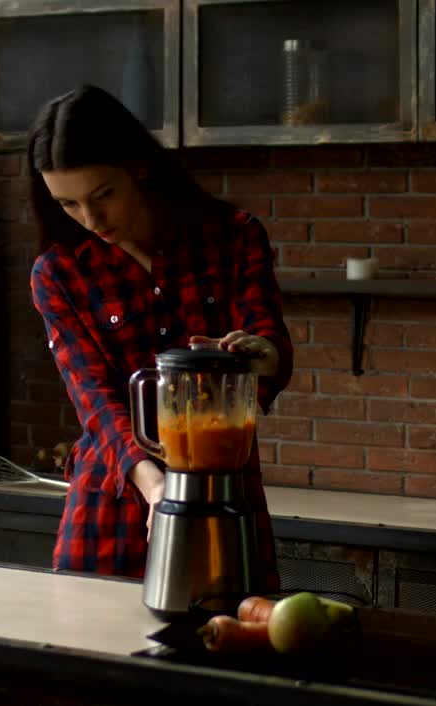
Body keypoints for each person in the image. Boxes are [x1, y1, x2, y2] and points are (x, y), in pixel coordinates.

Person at [26, 85, 293, 589]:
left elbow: (267, 341)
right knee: (89, 652)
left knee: (227, 641)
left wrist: (266, 356)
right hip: (116, 492)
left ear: (139, 169)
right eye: (68, 204)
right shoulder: (58, 273)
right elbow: (95, 401)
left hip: (220, 487)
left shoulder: (233, 238)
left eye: (103, 195)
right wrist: (154, 488)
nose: (90, 220)